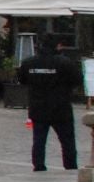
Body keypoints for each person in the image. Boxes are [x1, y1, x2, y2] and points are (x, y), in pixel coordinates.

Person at [18, 35, 80, 172]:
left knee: (39, 140)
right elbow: (77, 80)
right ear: (58, 46)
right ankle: (70, 167)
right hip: (61, 108)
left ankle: (39, 166)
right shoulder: (65, 62)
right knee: (67, 141)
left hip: (38, 107)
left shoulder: (29, 62)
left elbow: (22, 80)